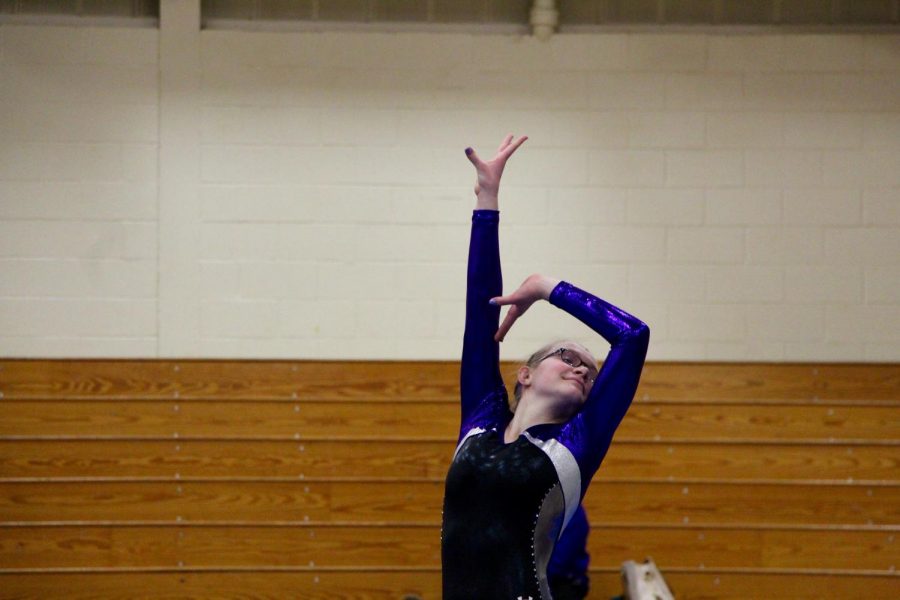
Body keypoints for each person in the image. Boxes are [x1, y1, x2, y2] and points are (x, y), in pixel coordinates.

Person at [441, 135, 649, 599]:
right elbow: (481, 313)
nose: (580, 369)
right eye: (567, 357)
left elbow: (633, 336)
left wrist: (547, 287)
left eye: (590, 372)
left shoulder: (576, 445)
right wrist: (487, 201)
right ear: (526, 373)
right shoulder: (479, 423)